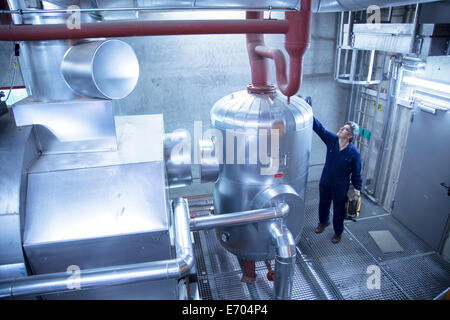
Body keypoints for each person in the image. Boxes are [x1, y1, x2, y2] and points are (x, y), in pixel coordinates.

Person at [312, 116, 362, 244]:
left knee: (339, 209)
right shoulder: (332, 140)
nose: (340, 129)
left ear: (350, 136)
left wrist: (357, 190)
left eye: (345, 129)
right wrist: (309, 112)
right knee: (323, 203)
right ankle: (323, 222)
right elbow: (320, 129)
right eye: (342, 127)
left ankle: (338, 232)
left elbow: (356, 172)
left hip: (340, 186)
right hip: (326, 180)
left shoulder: (354, 153)